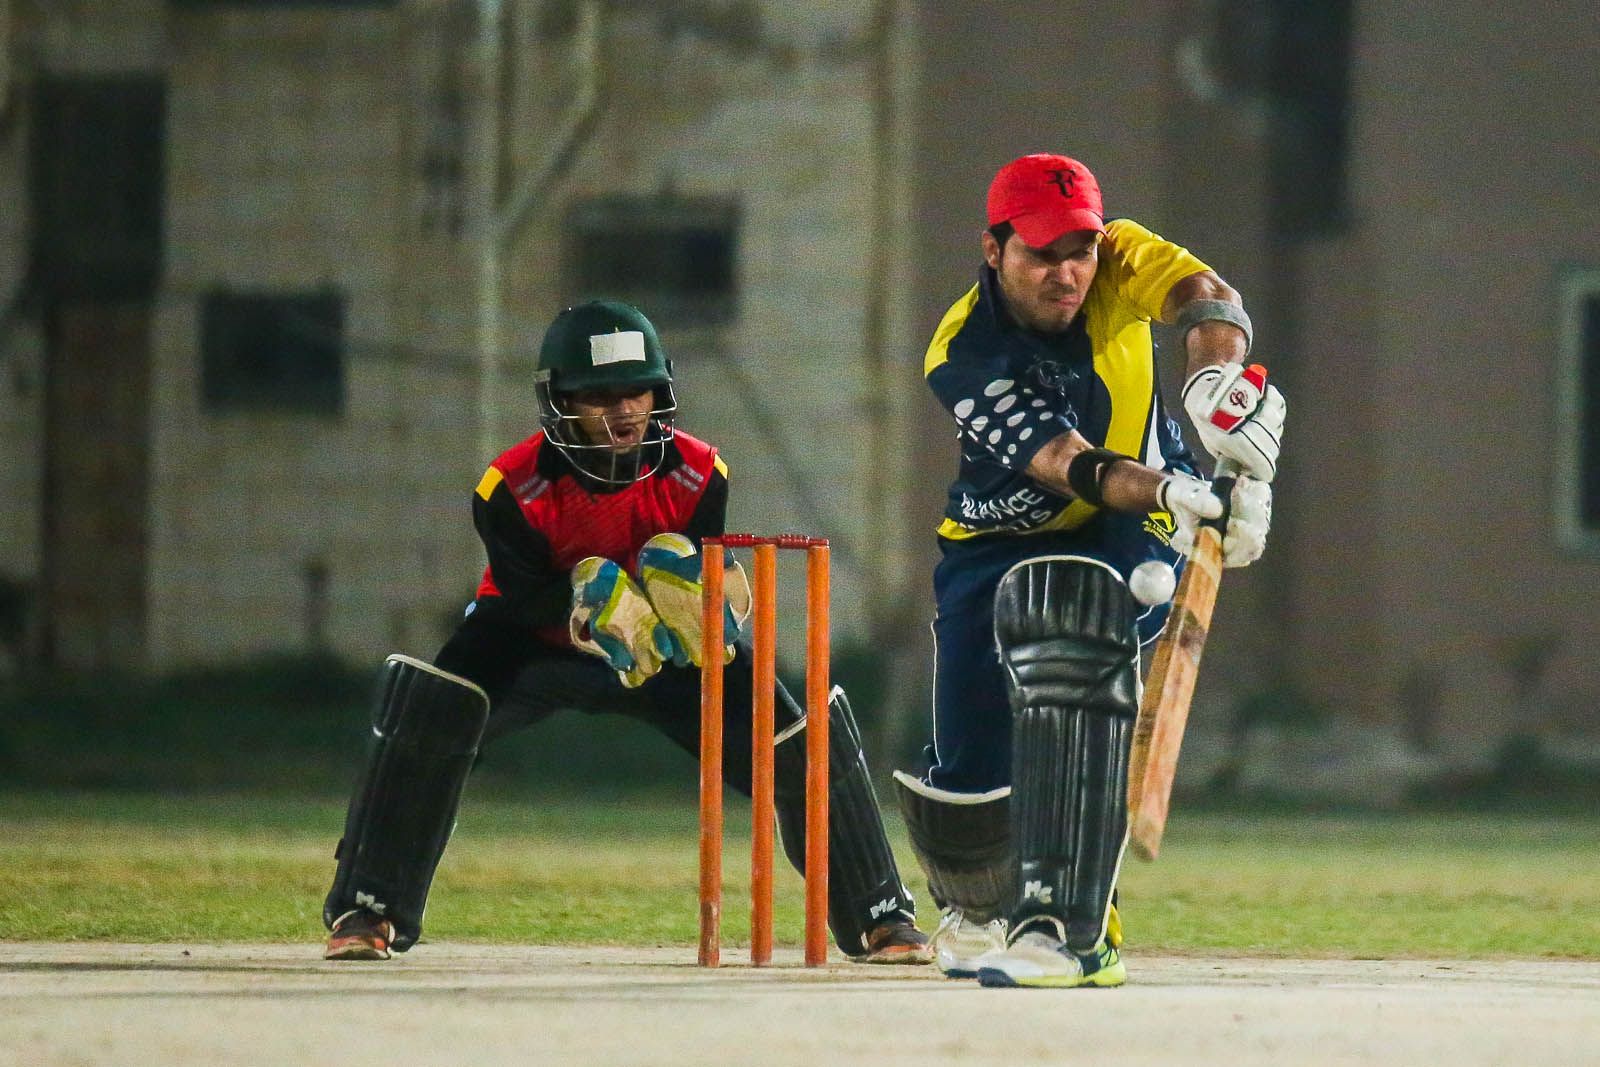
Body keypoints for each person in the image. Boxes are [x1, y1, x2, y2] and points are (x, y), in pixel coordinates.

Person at [322, 299, 931, 964]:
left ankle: (882, 916)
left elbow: (701, 573)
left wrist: (707, 608)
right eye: (599, 396)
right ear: (561, 402)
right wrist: (591, 603)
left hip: (660, 650)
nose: (623, 412)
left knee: (790, 735)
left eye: (636, 392)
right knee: (430, 709)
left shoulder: (700, 472)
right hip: (531, 640)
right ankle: (367, 909)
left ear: (658, 391)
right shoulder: (510, 486)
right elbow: (521, 599)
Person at [892, 153, 1282, 988]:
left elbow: (1208, 298)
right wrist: (1183, 491)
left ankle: (1074, 924)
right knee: (967, 761)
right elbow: (1068, 463)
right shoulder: (963, 350)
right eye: (1042, 253)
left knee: (1073, 634)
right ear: (993, 249)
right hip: (1001, 533)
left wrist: (1215, 383)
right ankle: (978, 904)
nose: (1067, 272)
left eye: (1080, 250)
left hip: (1127, 526)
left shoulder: (1121, 254)